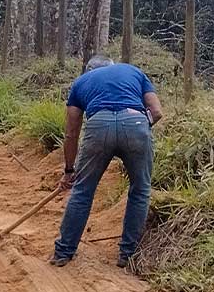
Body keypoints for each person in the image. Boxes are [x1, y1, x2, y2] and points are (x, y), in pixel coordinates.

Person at [50, 55, 164, 269]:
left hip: (98, 125)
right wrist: (137, 126)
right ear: (113, 65)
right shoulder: (134, 71)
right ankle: (127, 255)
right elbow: (157, 111)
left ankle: (63, 252)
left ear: (88, 70)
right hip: (136, 121)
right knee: (140, 190)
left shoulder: (81, 82)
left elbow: (71, 133)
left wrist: (69, 170)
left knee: (82, 191)